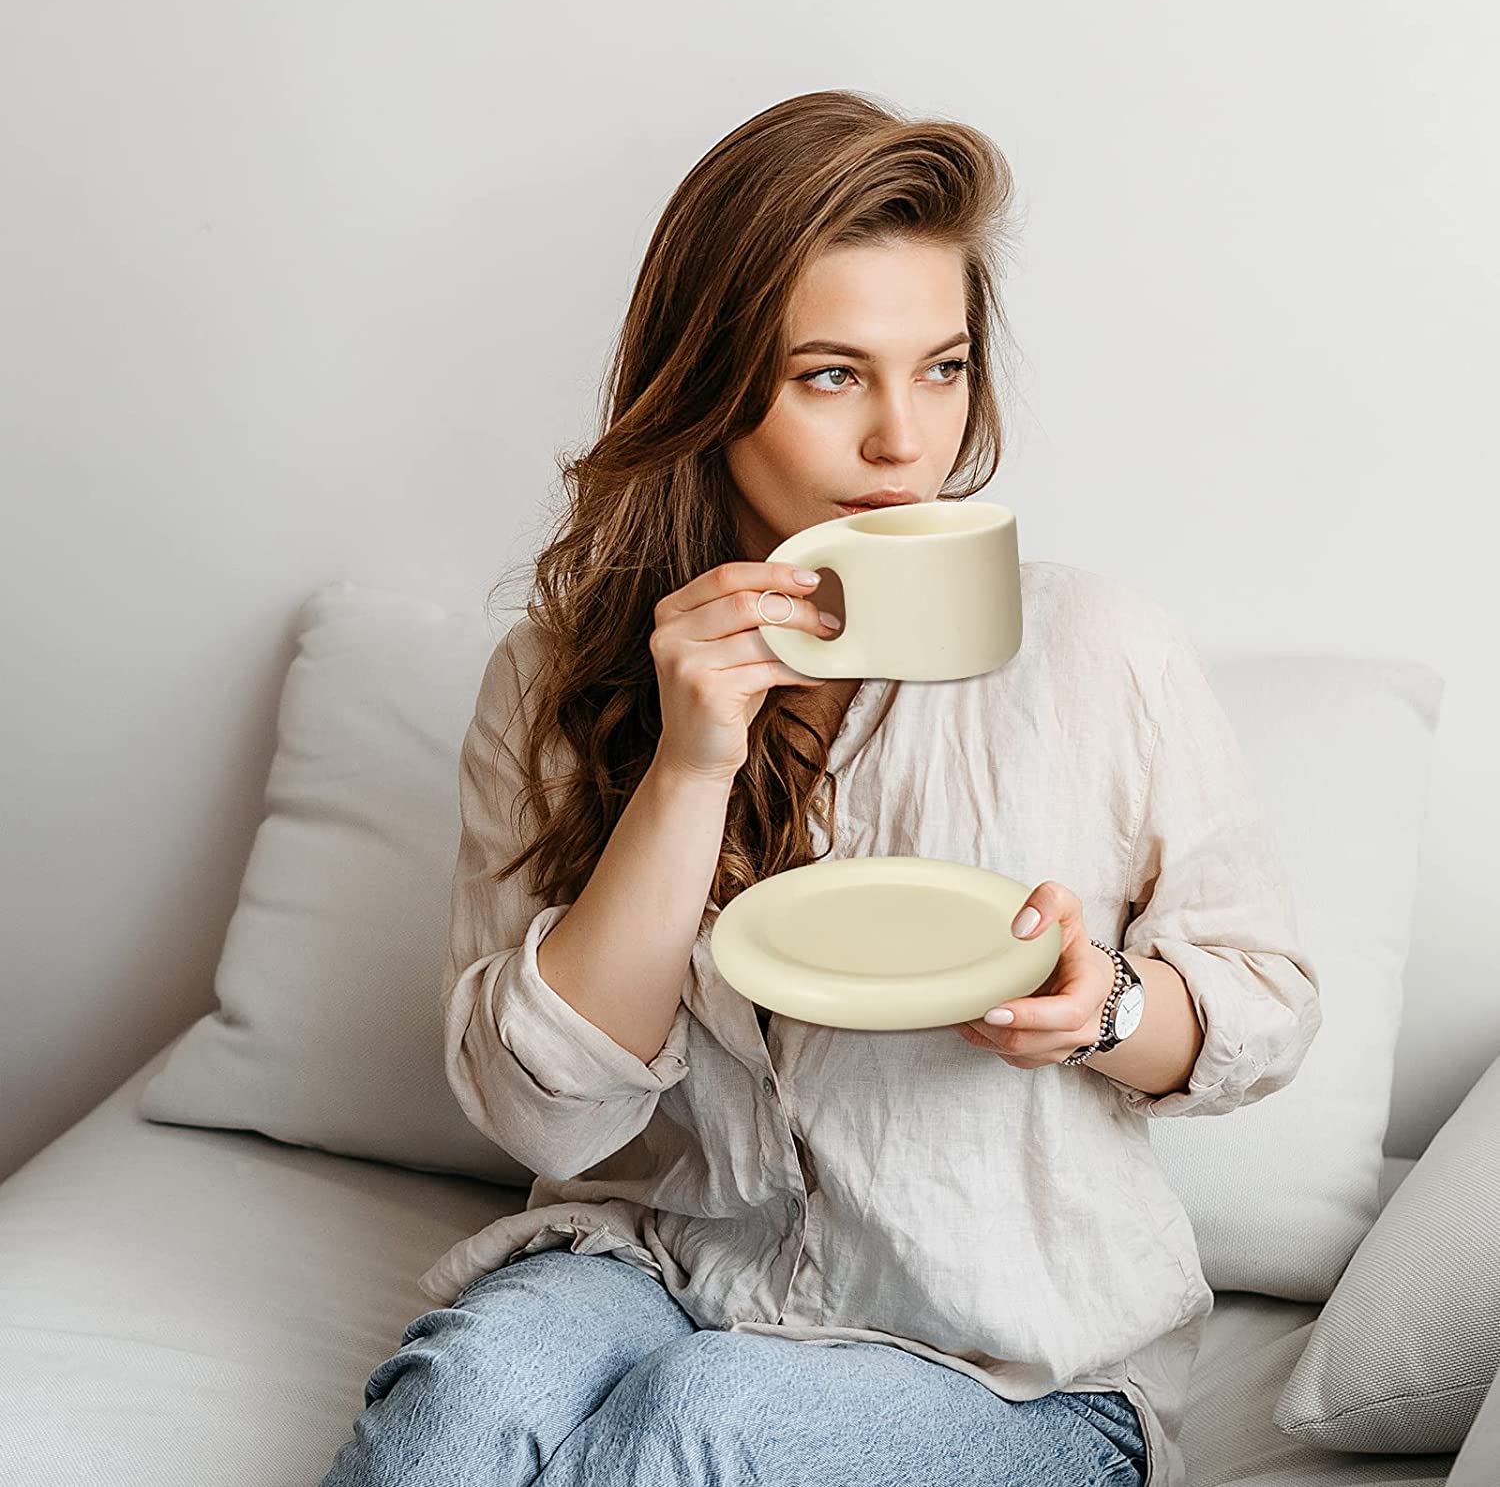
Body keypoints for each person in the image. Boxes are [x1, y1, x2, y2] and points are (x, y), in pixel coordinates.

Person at [321, 89, 1321, 1487]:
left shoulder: (1100, 648)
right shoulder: (560, 677)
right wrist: (689, 763)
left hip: (1018, 1363)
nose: (906, 443)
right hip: (665, 1261)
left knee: (699, 1423)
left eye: (945, 368)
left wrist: (1098, 1006)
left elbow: (1267, 1010)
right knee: (457, 1403)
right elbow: (543, 1116)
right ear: (710, 392)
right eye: (832, 375)